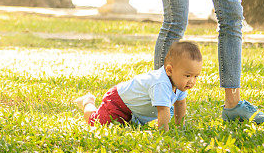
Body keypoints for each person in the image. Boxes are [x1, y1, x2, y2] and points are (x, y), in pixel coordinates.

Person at [74, 41, 202, 130]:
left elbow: (180, 104)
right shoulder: (161, 83)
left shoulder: (180, 84)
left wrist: (180, 127)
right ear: (169, 70)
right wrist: (165, 134)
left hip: (132, 110)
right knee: (96, 123)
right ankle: (87, 102)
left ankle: (129, 119)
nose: (192, 81)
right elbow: (163, 111)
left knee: (126, 126)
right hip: (117, 101)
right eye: (188, 76)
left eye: (195, 76)